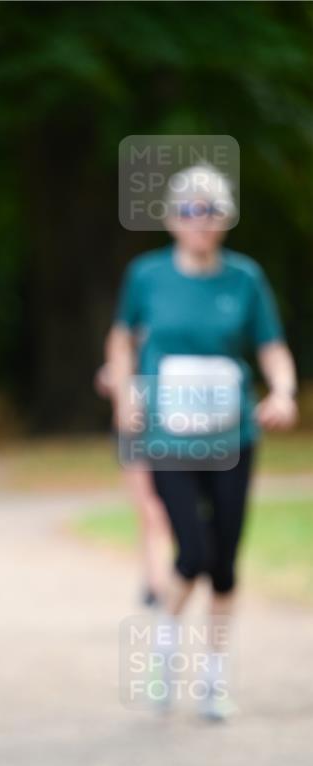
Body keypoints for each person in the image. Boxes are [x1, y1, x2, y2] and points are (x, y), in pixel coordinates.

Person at [109, 163, 298, 720]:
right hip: (168, 434)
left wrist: (283, 390)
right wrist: (124, 392)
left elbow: (270, 345)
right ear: (172, 218)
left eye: (211, 209)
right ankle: (165, 643)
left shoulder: (245, 279)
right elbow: (121, 338)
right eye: (190, 210)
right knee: (191, 548)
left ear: (226, 218)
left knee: (226, 560)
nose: (200, 221)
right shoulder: (146, 276)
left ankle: (214, 673)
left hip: (231, 434)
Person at [94, 359, 170, 607]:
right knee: (149, 512)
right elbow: (105, 378)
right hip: (133, 436)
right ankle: (155, 583)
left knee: (163, 512)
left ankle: (159, 579)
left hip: (170, 435)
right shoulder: (128, 337)